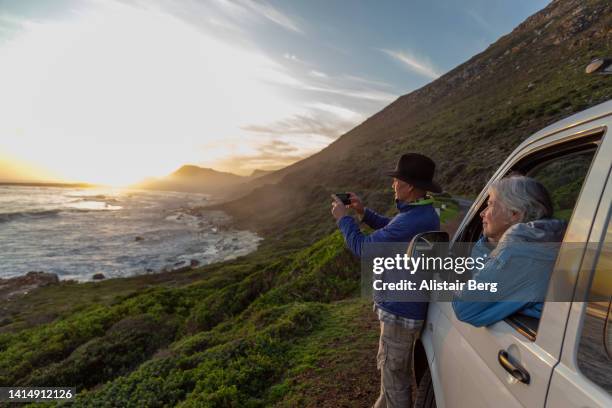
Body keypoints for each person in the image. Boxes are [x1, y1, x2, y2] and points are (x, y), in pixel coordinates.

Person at [331, 152, 441, 408]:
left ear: (409, 185)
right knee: (391, 379)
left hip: (399, 313)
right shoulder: (424, 213)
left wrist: (343, 218)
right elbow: (393, 227)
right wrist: (363, 212)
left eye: (396, 180)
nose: (393, 184)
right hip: (407, 307)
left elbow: (364, 248)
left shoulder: (413, 219)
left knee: (395, 381)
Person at [452, 175, 566, 327]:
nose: (482, 213)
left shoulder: (520, 248)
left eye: (490, 204)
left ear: (514, 214)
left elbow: (464, 308)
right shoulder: (551, 237)